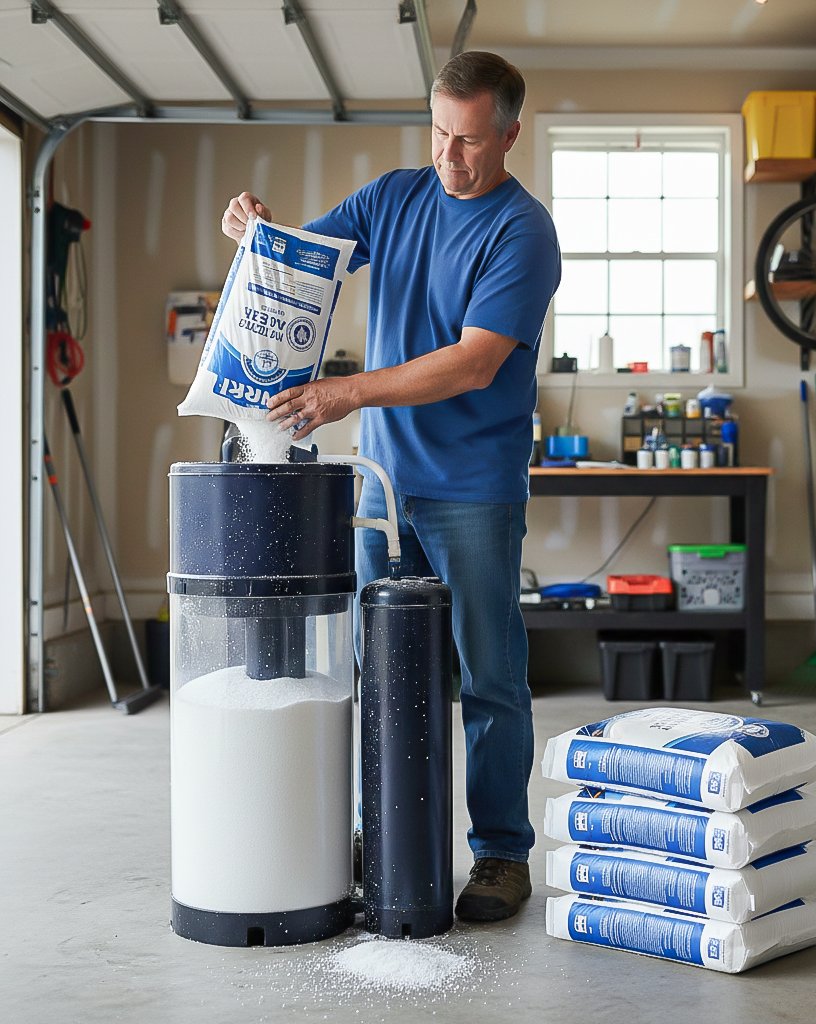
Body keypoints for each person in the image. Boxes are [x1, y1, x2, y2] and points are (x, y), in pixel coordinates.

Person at [221, 51, 561, 922]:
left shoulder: (522, 231)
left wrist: (347, 391)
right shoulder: (394, 196)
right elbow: (303, 260)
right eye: (440, 133)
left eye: (472, 140)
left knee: (488, 676)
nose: (450, 156)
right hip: (383, 489)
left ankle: (499, 856)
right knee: (386, 676)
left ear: (511, 135)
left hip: (473, 490)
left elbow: (476, 362)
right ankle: (391, 835)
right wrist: (255, 231)